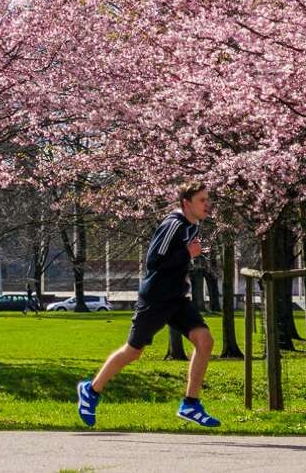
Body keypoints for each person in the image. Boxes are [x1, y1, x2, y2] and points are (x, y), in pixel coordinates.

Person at [76, 181, 221, 429]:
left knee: (204, 340)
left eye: (208, 199)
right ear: (186, 203)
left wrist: (190, 254)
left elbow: (181, 257)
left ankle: (190, 404)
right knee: (133, 351)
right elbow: (154, 261)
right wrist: (188, 254)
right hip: (156, 298)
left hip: (176, 298)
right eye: (202, 200)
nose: (207, 204)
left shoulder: (191, 225)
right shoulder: (173, 224)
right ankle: (91, 390)